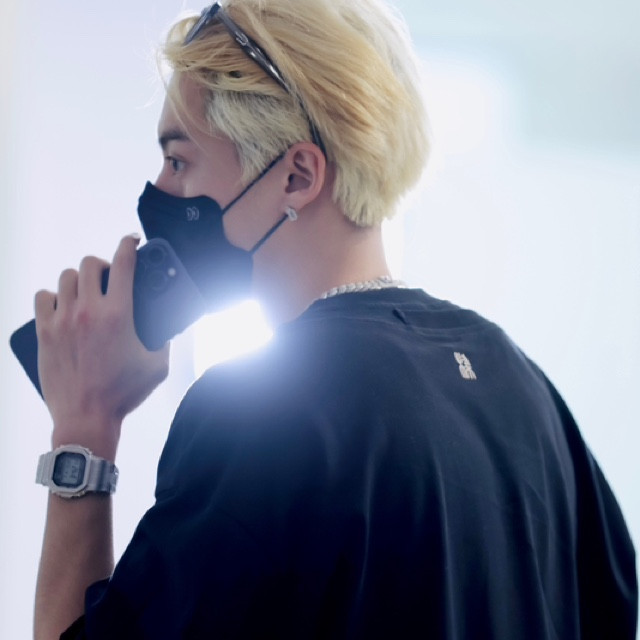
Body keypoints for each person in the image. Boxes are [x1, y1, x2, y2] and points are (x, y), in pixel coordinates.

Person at [32, 0, 637, 638]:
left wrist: (85, 424)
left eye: (178, 161)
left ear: (296, 177)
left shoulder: (259, 411)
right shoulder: (525, 390)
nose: (159, 190)